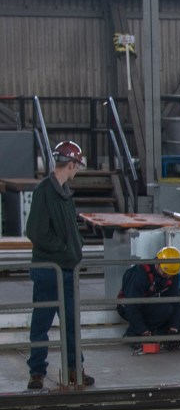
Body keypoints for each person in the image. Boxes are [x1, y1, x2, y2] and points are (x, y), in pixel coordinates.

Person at [25, 139, 93, 392]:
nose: (77, 170)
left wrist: (77, 244)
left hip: (67, 270)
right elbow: (35, 231)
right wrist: (65, 249)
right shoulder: (45, 191)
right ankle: (37, 372)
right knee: (42, 323)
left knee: (72, 324)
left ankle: (76, 369)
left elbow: (70, 229)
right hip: (49, 270)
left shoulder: (65, 194)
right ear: (72, 164)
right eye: (77, 165)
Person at [117, 245, 180, 349]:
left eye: (170, 275)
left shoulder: (171, 272)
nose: (167, 276)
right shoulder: (140, 274)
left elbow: (176, 300)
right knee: (166, 309)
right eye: (164, 273)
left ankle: (167, 335)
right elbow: (131, 306)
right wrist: (143, 332)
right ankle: (133, 334)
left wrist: (174, 329)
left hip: (150, 301)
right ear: (158, 263)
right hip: (128, 307)